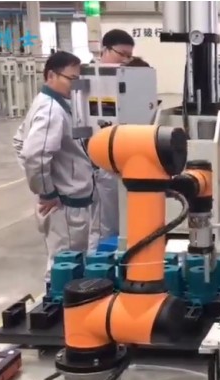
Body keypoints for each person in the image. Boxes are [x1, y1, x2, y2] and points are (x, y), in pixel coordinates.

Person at [14, 51, 93, 283]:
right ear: (51, 75)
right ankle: (58, 302)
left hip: (69, 200)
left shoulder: (52, 103)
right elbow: (34, 154)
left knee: (70, 261)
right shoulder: (51, 110)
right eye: (71, 79)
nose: (75, 85)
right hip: (64, 205)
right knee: (65, 265)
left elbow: (19, 141)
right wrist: (46, 191)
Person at [88, 29, 136, 252]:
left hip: (121, 163)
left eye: (129, 56)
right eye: (122, 54)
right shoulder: (88, 80)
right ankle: (98, 265)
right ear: (105, 50)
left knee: (121, 224)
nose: (125, 60)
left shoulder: (126, 78)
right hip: (99, 167)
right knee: (102, 228)